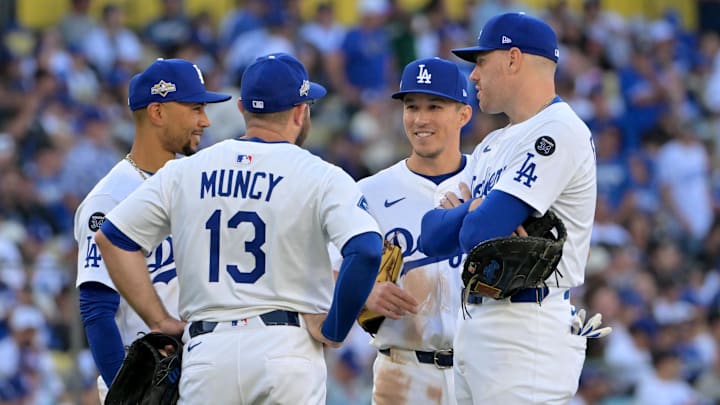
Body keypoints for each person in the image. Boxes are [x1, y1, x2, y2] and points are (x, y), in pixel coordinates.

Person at [94, 52, 383, 404]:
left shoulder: (186, 171)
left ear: (243, 107)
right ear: (300, 110)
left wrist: (158, 319)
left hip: (207, 351)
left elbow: (112, 238)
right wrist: (335, 328)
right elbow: (366, 249)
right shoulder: (321, 175)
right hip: (285, 347)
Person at [419, 12, 597, 404]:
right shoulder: (492, 143)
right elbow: (431, 236)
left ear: (513, 59)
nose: (473, 76)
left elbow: (475, 234)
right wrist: (473, 211)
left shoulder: (559, 130)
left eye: (481, 62)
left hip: (526, 328)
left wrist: (468, 213)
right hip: (479, 322)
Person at [73, 58, 232, 401]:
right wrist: (127, 395)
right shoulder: (110, 197)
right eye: (195, 108)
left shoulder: (197, 181)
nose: (205, 121)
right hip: (147, 379)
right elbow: (97, 310)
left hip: (201, 374)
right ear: (158, 113)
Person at [359, 57, 472, 404]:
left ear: (463, 114)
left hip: (483, 372)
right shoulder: (369, 191)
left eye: (435, 106)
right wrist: (361, 292)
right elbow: (322, 275)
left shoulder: (489, 182)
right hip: (403, 372)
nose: (420, 119)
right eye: (412, 107)